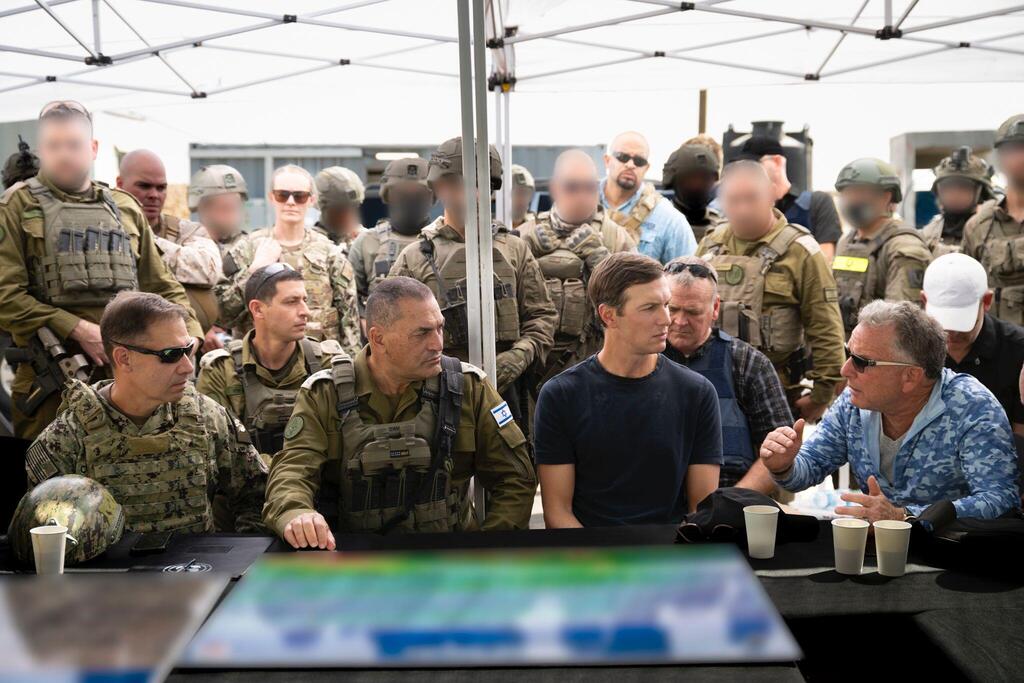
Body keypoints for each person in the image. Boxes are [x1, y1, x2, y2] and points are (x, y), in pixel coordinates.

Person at [263, 277, 537, 547]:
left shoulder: (467, 387)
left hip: (450, 557)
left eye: (440, 328)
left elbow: (515, 478)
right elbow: (293, 471)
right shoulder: (325, 394)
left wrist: (488, 548)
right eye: (422, 333)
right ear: (378, 338)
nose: (437, 344)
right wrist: (297, 513)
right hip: (353, 559)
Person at [0, 100, 201, 441]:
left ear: (92, 148)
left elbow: (161, 286)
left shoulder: (124, 207)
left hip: (133, 377)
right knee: (48, 473)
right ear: (41, 150)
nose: (64, 155)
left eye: (73, 145)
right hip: (52, 380)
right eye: (53, 146)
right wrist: (78, 328)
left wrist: (190, 335)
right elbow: (6, 297)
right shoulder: (15, 207)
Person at [25, 291, 266, 533]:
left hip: (195, 557)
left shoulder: (207, 417)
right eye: (171, 355)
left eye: (187, 350)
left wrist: (245, 548)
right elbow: (46, 532)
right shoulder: (68, 437)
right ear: (124, 358)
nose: (187, 367)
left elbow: (256, 495)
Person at [759, 300, 1019, 522]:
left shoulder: (972, 408)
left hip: (950, 556)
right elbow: (810, 466)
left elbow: (1000, 500)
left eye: (861, 361)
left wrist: (905, 516)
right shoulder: (853, 402)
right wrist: (784, 466)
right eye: (848, 354)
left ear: (910, 376)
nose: (845, 370)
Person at [534, 252, 722, 528]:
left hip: (672, 547)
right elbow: (558, 513)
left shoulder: (697, 393)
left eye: (666, 304)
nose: (666, 319)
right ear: (608, 315)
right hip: (590, 549)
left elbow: (701, 512)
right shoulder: (561, 396)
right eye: (649, 308)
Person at [389, 136, 556, 429]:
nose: (474, 192)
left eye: (482, 183)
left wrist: (518, 356)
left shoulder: (514, 249)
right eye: (462, 183)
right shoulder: (414, 257)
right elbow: (393, 330)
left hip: (507, 392)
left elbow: (542, 317)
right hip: (437, 395)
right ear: (440, 186)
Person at [696, 161, 846, 422]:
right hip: (713, 388)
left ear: (771, 196)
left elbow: (825, 325)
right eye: (734, 200)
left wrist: (821, 395)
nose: (743, 209)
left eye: (751, 199)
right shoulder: (710, 245)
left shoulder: (801, 251)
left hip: (777, 391)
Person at [662, 256, 793, 488]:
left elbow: (781, 450)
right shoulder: (643, 359)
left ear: (715, 308)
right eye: (672, 309)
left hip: (730, 494)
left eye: (692, 312)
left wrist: (734, 498)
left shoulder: (747, 363)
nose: (680, 321)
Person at [197, 263, 346, 460]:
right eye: (291, 302)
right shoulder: (221, 371)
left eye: (305, 300)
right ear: (258, 309)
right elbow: (217, 452)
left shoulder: (328, 363)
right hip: (250, 479)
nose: (305, 312)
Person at [519, 149, 634, 387]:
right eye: (572, 187)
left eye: (590, 188)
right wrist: (524, 252)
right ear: (555, 188)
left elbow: (637, 305)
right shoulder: (524, 236)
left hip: (596, 370)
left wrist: (602, 260)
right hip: (533, 370)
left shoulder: (616, 238)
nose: (582, 196)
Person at [217, 164, 360, 354]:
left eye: (299, 196)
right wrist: (255, 270)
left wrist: (349, 367)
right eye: (282, 195)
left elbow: (349, 324)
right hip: (258, 363)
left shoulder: (329, 253)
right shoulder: (247, 249)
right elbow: (223, 316)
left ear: (311, 200)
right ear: (271, 197)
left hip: (318, 364)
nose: (291, 202)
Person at [117, 149, 223, 334]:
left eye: (161, 188)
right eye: (144, 186)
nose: (154, 195)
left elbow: (210, 269)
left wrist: (144, 240)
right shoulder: (106, 231)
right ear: (120, 184)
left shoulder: (186, 230)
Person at [922, 253, 1024, 435]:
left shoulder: (1017, 351)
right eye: (942, 323)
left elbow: (1020, 437)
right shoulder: (909, 349)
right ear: (924, 300)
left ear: (986, 301)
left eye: (960, 323)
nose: (951, 333)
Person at [832, 157, 932, 337]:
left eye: (860, 192)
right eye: (846, 193)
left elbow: (900, 321)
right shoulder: (846, 241)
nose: (851, 200)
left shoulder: (904, 247)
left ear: (886, 196)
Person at [348, 157, 432, 318]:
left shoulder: (444, 241)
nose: (410, 199)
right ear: (387, 195)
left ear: (432, 196)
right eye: (401, 193)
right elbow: (351, 300)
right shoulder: (367, 242)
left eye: (420, 194)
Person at [736, 136, 842, 261]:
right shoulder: (743, 210)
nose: (747, 171)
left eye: (753, 164)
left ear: (777, 161)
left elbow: (825, 260)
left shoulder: (816, 203)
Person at [963, 114, 1024, 325]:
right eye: (1013, 149)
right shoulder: (979, 226)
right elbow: (965, 293)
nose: (1021, 157)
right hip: (996, 343)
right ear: (1000, 158)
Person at [600, 130, 697, 264]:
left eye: (639, 161)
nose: (630, 164)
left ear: (646, 168)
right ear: (607, 160)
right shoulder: (580, 198)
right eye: (622, 157)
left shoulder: (669, 219)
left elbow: (691, 272)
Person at [921, 147, 996, 257]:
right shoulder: (927, 235)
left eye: (964, 187)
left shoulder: (993, 232)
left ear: (980, 193)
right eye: (947, 187)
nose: (954, 194)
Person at [661, 141, 722, 242]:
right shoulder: (661, 222)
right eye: (691, 180)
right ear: (673, 181)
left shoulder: (722, 227)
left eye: (706, 179)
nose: (698, 186)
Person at [188, 163, 249, 258]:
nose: (233, 216)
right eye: (225, 208)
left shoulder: (252, 247)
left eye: (236, 207)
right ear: (204, 209)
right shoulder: (187, 249)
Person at [313, 166, 365, 253]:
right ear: (323, 208)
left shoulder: (363, 237)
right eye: (340, 209)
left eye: (354, 206)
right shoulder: (312, 243)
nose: (347, 215)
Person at [510, 163, 536, 231]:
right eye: (517, 193)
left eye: (527, 193)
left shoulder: (536, 228)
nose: (523, 200)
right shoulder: (489, 227)